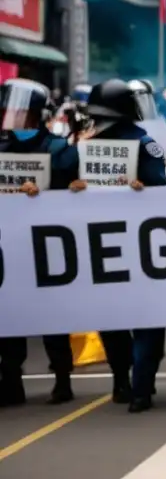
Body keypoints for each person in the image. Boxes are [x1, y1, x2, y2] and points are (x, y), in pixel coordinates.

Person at [78, 79, 166, 413]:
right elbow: (159, 189)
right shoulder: (143, 144)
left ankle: (139, 389)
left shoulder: (86, 147)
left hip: (107, 247)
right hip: (151, 245)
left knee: (142, 317)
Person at [0, 78, 94, 407]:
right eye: (12, 112)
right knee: (8, 317)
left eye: (24, 114)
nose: (16, 120)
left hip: (46, 245)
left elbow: (72, 195)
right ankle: (11, 381)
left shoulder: (60, 151)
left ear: (39, 116)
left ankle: (62, 379)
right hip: (8, 247)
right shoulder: (2, 149)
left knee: (51, 317)